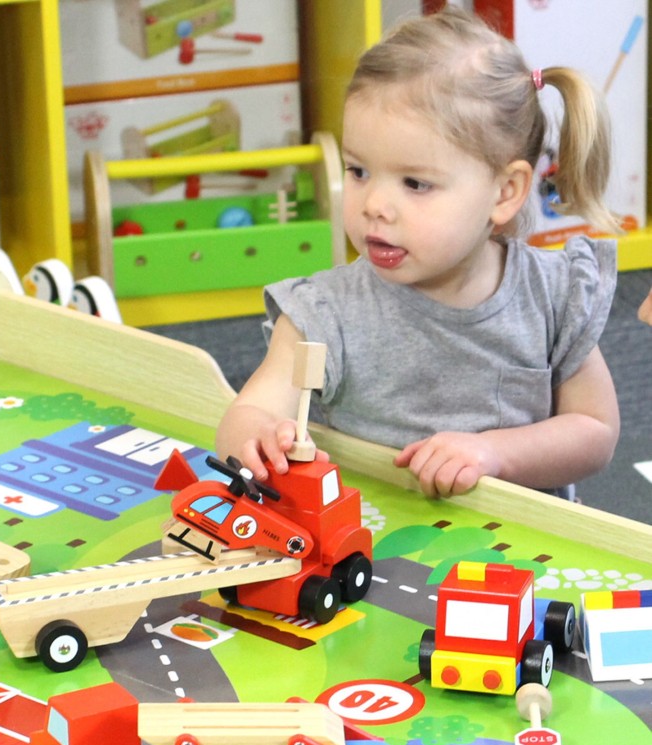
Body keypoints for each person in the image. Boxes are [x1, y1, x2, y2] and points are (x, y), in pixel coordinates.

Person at [216, 6, 622, 499]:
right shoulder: (321, 313)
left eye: (415, 183)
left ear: (504, 192)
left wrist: (493, 453)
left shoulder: (557, 296)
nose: (375, 207)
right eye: (359, 171)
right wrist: (254, 436)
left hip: (520, 553)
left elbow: (594, 433)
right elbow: (251, 410)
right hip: (371, 546)